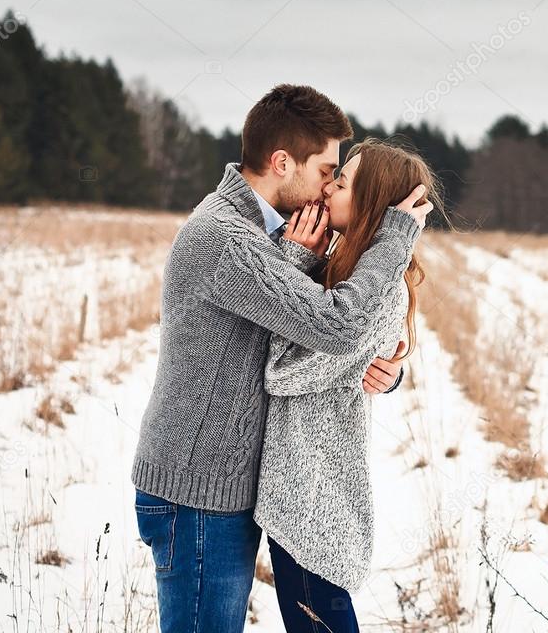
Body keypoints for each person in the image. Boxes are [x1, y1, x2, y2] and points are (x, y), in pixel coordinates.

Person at [131, 85, 432, 632]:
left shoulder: (273, 231)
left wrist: (384, 372)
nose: (328, 186)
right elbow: (333, 326)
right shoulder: (227, 239)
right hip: (197, 492)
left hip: (224, 490)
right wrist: (394, 240)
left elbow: (333, 332)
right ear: (281, 162)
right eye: (325, 170)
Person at [254, 138, 439, 632]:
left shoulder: (377, 292)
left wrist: (294, 262)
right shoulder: (352, 274)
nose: (330, 187)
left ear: (372, 205)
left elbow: (284, 371)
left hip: (317, 503)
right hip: (305, 493)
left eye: (344, 182)